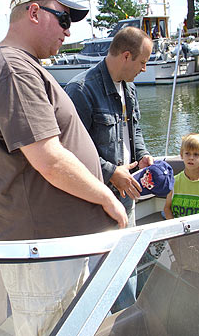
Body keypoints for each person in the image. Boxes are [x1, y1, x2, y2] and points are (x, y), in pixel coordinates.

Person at [0, 0, 127, 336]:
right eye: (64, 19)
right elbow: (49, 159)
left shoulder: (19, 65)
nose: (68, 31)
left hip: (54, 248)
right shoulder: (13, 68)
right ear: (35, 12)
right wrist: (107, 198)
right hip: (43, 253)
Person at [65, 26, 154, 311]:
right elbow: (71, 152)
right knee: (105, 277)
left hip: (126, 196)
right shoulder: (80, 90)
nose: (144, 69)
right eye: (142, 62)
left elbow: (134, 129)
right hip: (97, 203)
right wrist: (111, 171)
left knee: (129, 267)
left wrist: (143, 155)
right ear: (126, 56)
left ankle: (128, 322)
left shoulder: (129, 87)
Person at [164, 133, 199, 219]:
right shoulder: (174, 181)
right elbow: (167, 209)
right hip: (178, 227)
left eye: (196, 154)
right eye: (187, 153)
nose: (191, 158)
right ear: (181, 155)